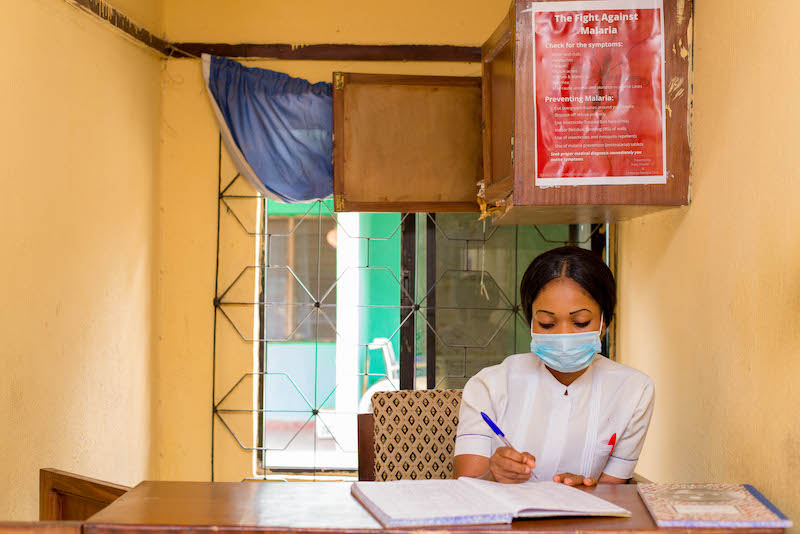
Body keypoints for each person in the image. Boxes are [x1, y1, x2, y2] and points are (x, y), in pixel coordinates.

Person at [453, 246, 654, 486]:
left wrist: (588, 490)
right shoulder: (489, 386)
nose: (564, 336)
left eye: (580, 322)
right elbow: (465, 488)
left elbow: (615, 493)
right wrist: (494, 474)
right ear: (531, 323)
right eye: (547, 323)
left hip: (582, 522)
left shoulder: (634, 390)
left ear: (603, 322)